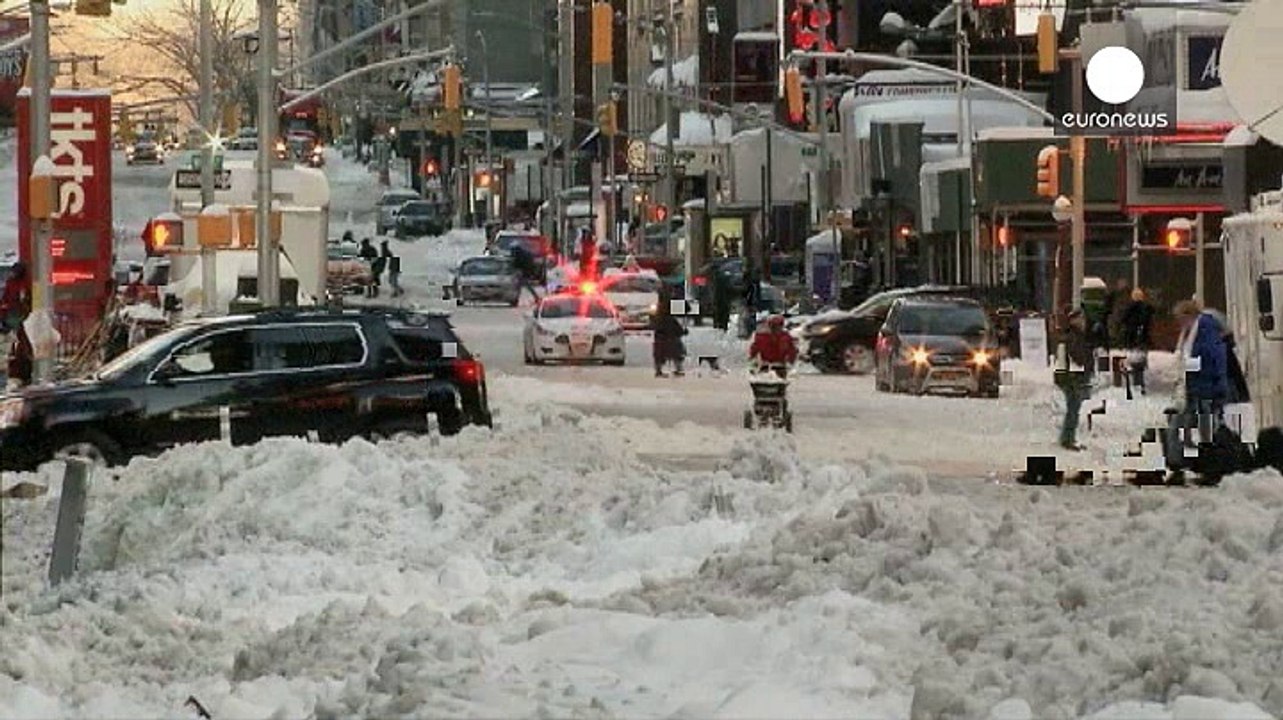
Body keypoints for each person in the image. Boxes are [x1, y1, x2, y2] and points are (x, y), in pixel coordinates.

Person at [1166, 299, 1229, 475]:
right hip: (1194, 388)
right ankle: (1191, 463)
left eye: (1179, 318)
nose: (1178, 323)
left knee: (1197, 429)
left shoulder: (1205, 328)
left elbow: (1208, 357)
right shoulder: (1193, 330)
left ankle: (1197, 464)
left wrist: (1189, 367)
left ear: (1189, 315)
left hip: (1203, 388)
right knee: (1189, 428)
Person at [1054, 308, 1095, 451]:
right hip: (1071, 377)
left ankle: (1068, 437)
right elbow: (1076, 356)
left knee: (1073, 407)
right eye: (1080, 319)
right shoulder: (1073, 336)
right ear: (1074, 320)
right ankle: (1067, 439)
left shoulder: (1073, 335)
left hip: (1069, 376)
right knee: (1073, 408)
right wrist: (1085, 364)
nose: (1083, 322)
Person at [0, 262, 33, 389]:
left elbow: (28, 299)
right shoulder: (11, 283)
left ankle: (23, 374)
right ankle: (16, 374)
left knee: (20, 348)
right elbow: (5, 300)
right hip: (13, 317)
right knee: (13, 347)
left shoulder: (26, 283)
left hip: (22, 317)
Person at [1121, 288, 1155, 394]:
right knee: (1141, 360)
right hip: (1143, 339)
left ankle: (1136, 381)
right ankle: (1140, 380)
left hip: (1132, 338)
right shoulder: (1147, 308)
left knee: (1135, 360)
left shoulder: (1129, 309)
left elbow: (1123, 320)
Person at [650, 286, 687, 377]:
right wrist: (682, 331)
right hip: (670, 335)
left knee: (660, 353)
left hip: (662, 335)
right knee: (676, 352)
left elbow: (654, 322)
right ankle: (678, 369)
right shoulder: (667, 310)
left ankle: (659, 370)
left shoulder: (658, 310)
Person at [748, 315, 798, 379]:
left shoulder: (786, 337)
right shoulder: (761, 336)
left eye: (778, 326)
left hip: (779, 365)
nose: (776, 328)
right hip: (766, 365)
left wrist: (790, 362)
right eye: (774, 326)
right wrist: (752, 362)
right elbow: (753, 351)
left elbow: (792, 351)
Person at [711, 265, 732, 331]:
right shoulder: (722, 277)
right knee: (723, 311)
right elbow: (729, 288)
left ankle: (720, 324)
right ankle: (723, 324)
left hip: (720, 297)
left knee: (719, 311)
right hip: (724, 298)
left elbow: (715, 289)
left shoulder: (717, 278)